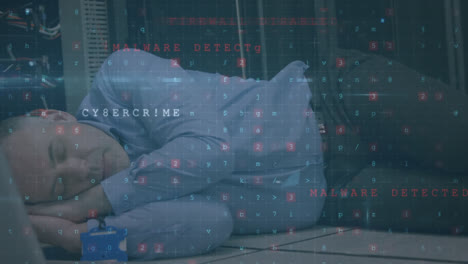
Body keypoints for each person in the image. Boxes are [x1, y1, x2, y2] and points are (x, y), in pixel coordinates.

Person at [0, 49, 326, 260]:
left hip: (329, 105)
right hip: (334, 197)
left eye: (60, 151)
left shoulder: (121, 74)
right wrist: (74, 237)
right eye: (61, 186)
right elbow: (213, 223)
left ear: (56, 116)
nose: (79, 170)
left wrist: (86, 203)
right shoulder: (123, 202)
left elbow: (211, 153)